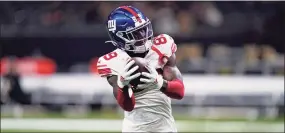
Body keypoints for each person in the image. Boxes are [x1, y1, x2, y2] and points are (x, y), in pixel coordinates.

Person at [97, 6, 185, 132]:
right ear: (120, 37)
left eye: (144, 29)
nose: (144, 35)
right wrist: (123, 85)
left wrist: (160, 83)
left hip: (166, 129)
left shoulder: (162, 45)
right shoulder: (112, 61)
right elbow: (127, 106)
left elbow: (180, 92)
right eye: (136, 33)